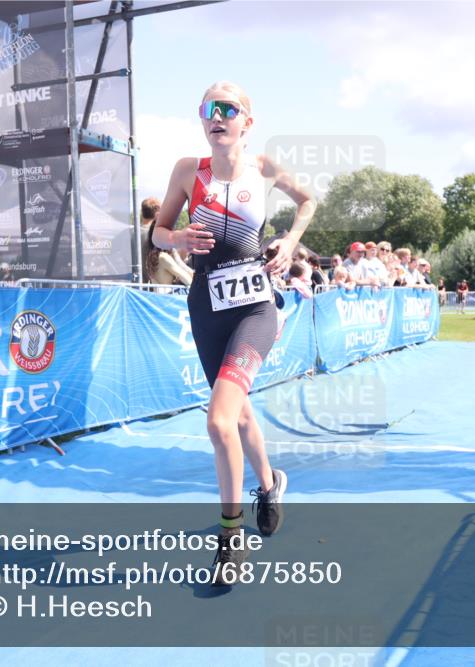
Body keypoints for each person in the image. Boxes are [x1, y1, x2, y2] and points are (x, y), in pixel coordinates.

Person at [151, 82, 315, 585]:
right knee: (239, 412)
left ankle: (230, 537)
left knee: (220, 421)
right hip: (206, 304)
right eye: (208, 109)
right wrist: (177, 237)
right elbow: (156, 234)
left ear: (248, 121)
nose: (216, 117)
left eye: (228, 110)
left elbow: (308, 200)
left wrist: (289, 239)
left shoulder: (264, 168)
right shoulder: (187, 170)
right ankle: (268, 485)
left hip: (254, 307)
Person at [144, 218, 194, 288]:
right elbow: (189, 281)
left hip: (161, 297)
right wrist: (178, 260)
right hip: (169, 297)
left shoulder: (152, 256)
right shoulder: (163, 257)